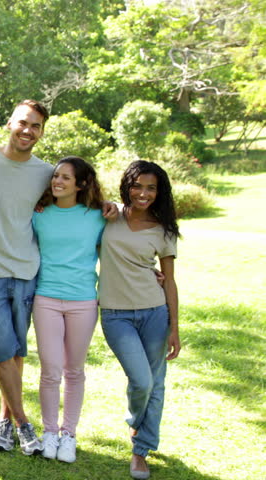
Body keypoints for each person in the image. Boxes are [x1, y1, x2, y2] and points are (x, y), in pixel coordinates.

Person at [0, 99, 53, 455]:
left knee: (15, 352)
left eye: (36, 126)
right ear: (9, 123)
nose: (28, 130)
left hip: (26, 271)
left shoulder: (46, 173)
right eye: (23, 123)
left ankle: (3, 420)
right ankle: (24, 425)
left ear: (41, 132)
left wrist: (116, 209)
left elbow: (83, 199)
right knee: (1, 350)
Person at [99, 160, 180, 480]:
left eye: (151, 188)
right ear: (127, 187)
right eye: (137, 186)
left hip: (155, 312)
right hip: (115, 314)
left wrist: (175, 328)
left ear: (160, 192)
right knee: (142, 381)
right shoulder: (109, 215)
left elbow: (170, 281)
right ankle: (135, 421)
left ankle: (141, 450)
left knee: (155, 383)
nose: (143, 193)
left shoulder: (164, 229)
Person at [31, 156, 107, 463]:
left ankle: (69, 435)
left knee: (74, 370)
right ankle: (49, 432)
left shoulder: (98, 216)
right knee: (50, 371)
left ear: (81, 184)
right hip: (46, 299)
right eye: (55, 176)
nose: (57, 181)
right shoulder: (38, 214)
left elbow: (119, 246)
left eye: (65, 177)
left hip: (83, 301)